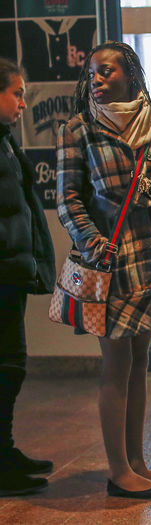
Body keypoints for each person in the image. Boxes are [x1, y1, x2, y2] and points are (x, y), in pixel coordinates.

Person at [56, 42, 151, 499]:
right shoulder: (80, 129)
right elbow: (67, 199)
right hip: (109, 260)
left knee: (141, 361)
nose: (96, 79)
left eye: (106, 71)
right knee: (116, 363)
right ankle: (118, 471)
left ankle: (138, 462)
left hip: (150, 256)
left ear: (129, 73)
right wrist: (92, 242)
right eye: (92, 72)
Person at [0, 58, 56, 497]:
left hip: (11, 273)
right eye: (16, 93)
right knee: (7, 367)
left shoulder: (5, 141)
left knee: (11, 366)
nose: (23, 103)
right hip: (2, 273)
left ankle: (5, 450)